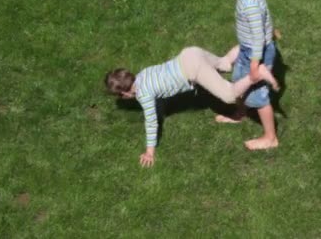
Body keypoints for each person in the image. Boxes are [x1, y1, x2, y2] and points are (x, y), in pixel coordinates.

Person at [106, 46, 279, 167]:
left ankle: (256, 75)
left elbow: (151, 123)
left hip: (192, 69)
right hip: (189, 54)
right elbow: (158, 93)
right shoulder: (143, 75)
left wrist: (149, 151)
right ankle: (252, 43)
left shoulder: (143, 94)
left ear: (126, 94)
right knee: (225, 63)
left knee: (229, 95)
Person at [217, 0, 279, 151]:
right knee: (240, 83)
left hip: (255, 53)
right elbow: (264, 18)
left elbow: (257, 35)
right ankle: (241, 113)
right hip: (248, 50)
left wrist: (255, 64)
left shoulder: (250, 5)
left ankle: (270, 137)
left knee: (259, 96)